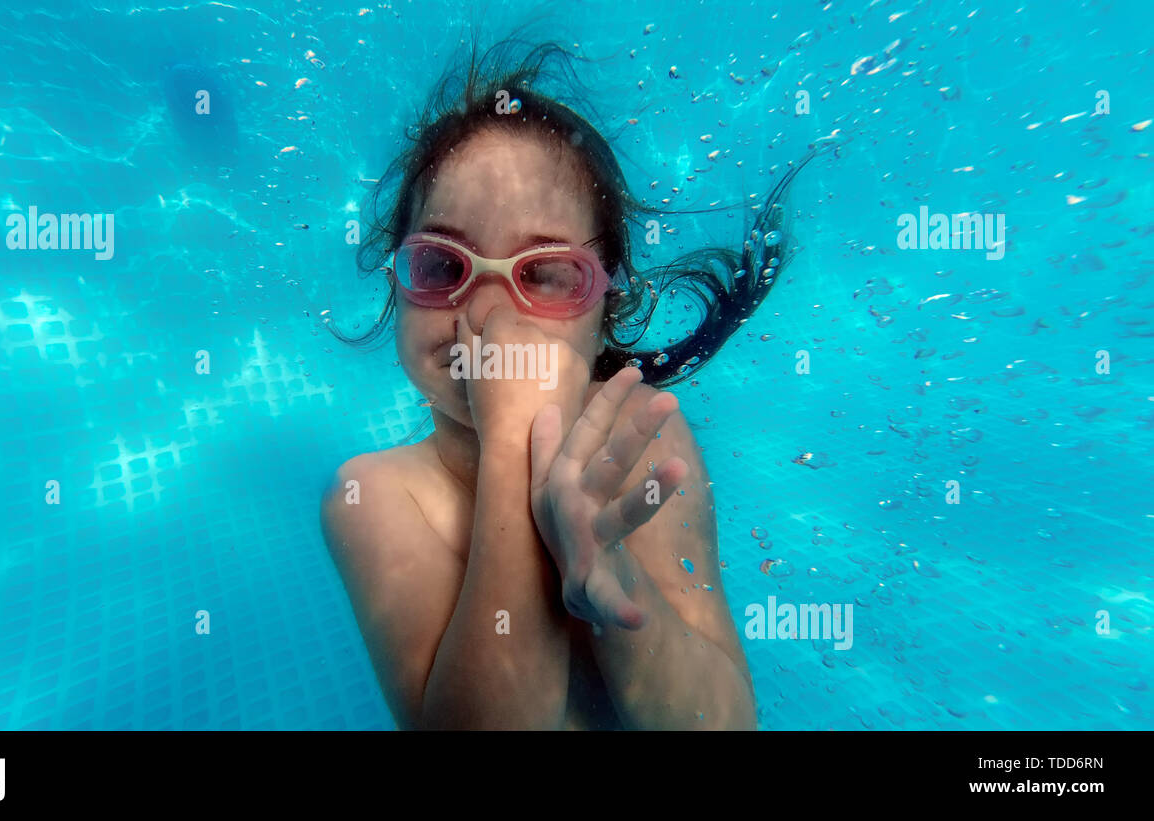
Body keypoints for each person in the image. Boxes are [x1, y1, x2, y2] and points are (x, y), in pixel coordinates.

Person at [320, 31, 815, 730]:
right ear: (397, 284)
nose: (488, 317)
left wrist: (614, 572)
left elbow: (725, 721)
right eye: (442, 266)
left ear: (606, 312)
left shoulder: (644, 440)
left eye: (545, 274)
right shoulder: (370, 495)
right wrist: (516, 453)